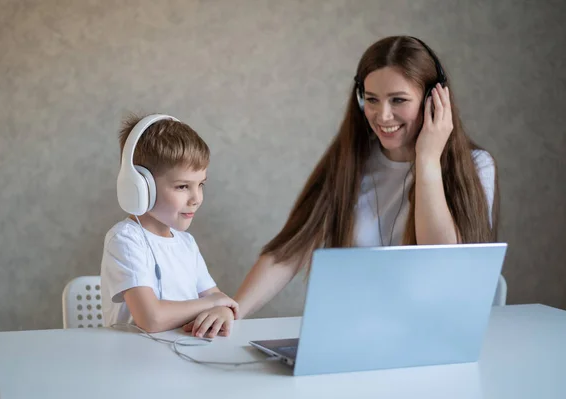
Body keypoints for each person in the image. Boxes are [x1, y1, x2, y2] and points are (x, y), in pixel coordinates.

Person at [184, 35, 499, 338]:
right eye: (371, 100)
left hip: (435, 335)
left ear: (434, 100)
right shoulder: (349, 163)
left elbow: (443, 262)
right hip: (357, 334)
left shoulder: (477, 165)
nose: (382, 115)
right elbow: (290, 251)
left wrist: (427, 160)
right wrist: (234, 310)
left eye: (398, 100)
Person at [101, 113, 238, 334]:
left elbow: (217, 297)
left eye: (201, 184)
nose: (197, 198)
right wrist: (215, 304)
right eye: (182, 186)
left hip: (179, 358)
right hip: (132, 363)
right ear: (141, 187)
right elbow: (151, 318)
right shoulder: (125, 239)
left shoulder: (186, 243)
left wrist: (222, 310)